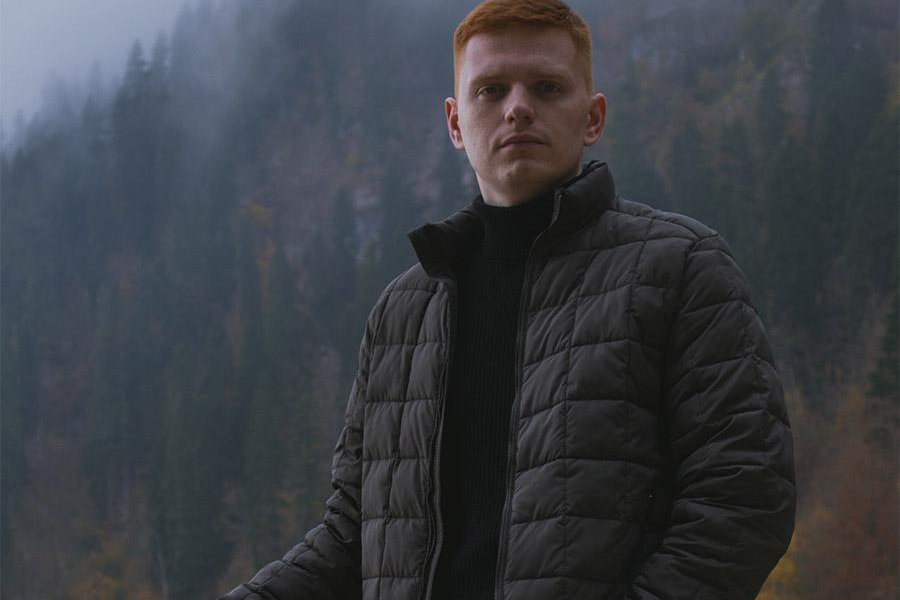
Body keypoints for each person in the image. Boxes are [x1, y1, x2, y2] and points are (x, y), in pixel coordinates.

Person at [219, 0, 796, 599]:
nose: (518, 107)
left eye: (546, 87)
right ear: (455, 123)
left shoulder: (679, 268)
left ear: (592, 117)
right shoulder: (401, 313)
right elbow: (351, 538)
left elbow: (744, 499)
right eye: (491, 90)